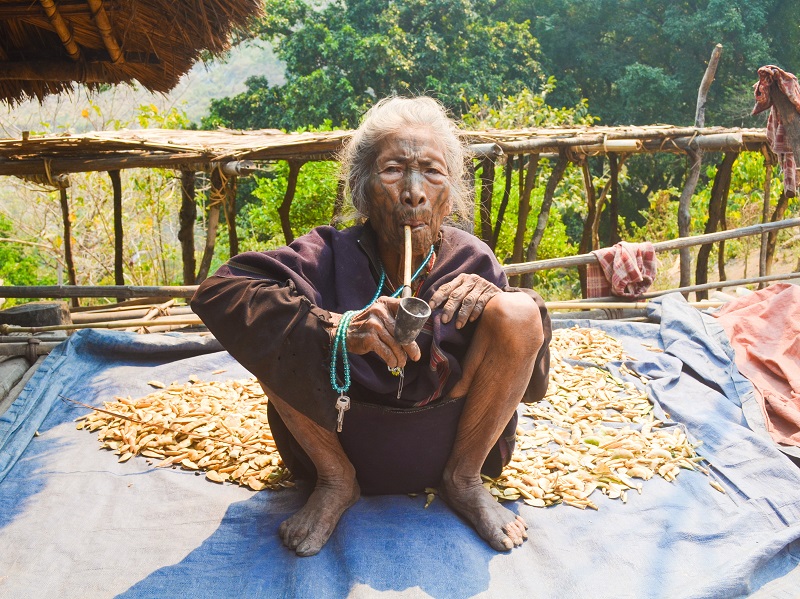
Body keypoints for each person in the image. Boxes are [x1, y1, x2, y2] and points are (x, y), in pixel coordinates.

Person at [191, 96, 551, 557]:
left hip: (444, 443)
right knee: (272, 328)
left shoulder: (473, 260)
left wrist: (504, 300)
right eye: (394, 170)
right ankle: (336, 482)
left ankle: (463, 482)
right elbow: (218, 292)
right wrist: (335, 328)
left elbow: (528, 377)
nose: (414, 191)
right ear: (362, 188)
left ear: (451, 193)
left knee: (520, 311)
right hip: (343, 438)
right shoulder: (328, 253)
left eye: (432, 172)